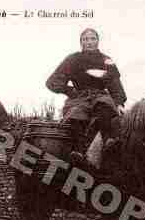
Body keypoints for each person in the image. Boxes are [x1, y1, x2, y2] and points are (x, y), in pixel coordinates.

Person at [46, 28, 127, 162]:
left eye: (92, 38)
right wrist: (69, 91)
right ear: (81, 42)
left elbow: (115, 84)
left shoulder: (106, 60)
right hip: (79, 98)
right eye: (85, 39)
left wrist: (119, 103)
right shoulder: (73, 59)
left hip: (100, 95)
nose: (89, 42)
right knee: (76, 116)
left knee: (105, 109)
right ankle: (77, 151)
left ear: (98, 41)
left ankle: (109, 143)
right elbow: (52, 82)